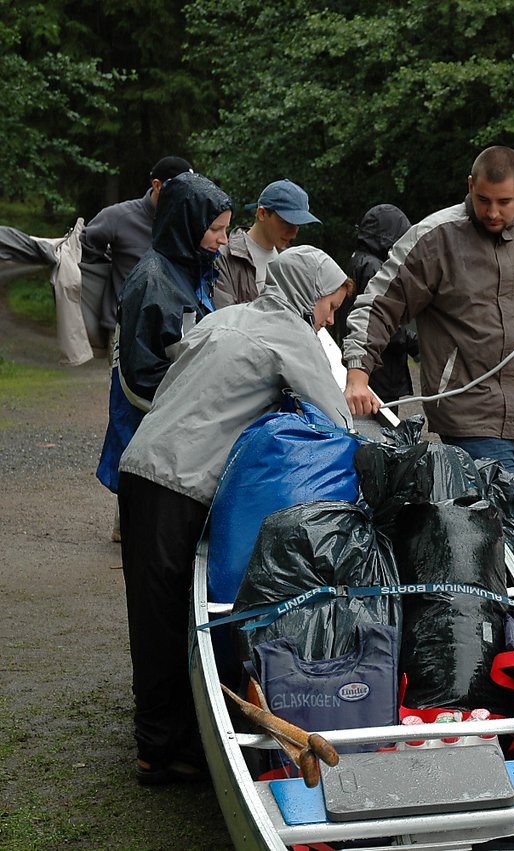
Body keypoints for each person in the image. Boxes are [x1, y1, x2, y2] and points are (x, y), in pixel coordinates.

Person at [117, 245, 353, 786]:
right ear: (306, 294)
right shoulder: (292, 334)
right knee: (171, 625)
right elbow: (336, 419)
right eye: (329, 305)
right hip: (179, 480)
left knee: (154, 614)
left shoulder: (229, 315)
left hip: (143, 464)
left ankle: (164, 741)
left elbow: (180, 375)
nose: (329, 318)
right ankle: (161, 752)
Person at [342, 145, 514, 472]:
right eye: (483, 200)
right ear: (470, 186)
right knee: (492, 519)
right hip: (468, 419)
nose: (493, 212)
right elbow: (378, 304)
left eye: (504, 202)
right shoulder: (434, 239)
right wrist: (357, 374)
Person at [94, 171, 233, 538]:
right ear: (188, 224)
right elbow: (138, 376)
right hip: (154, 423)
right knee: (149, 524)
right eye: (216, 230)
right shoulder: (154, 281)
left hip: (174, 418)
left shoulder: (190, 266)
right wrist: (193, 406)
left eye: (226, 229)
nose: (224, 240)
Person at [81, 155, 195, 342]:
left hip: (171, 329)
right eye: (180, 189)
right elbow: (86, 244)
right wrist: (105, 270)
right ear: (157, 185)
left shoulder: (188, 222)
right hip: (125, 329)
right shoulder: (120, 216)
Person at [336, 204, 415, 402]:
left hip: (367, 363)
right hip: (380, 367)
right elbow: (380, 318)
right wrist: (415, 343)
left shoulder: (357, 260)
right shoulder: (374, 267)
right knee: (383, 424)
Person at [212, 179, 320, 308]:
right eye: (287, 222)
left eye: (298, 224)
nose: (293, 233)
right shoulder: (223, 257)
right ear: (262, 213)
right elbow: (224, 317)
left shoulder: (292, 261)